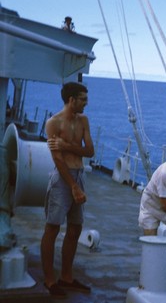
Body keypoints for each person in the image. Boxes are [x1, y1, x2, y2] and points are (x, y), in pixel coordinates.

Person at [41, 82, 94, 299]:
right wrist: (73, 187)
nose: (86, 102)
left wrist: (67, 146)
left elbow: (89, 151)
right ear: (71, 100)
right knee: (52, 228)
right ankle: (50, 280)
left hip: (79, 175)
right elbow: (57, 159)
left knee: (75, 228)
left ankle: (66, 276)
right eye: (82, 98)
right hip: (62, 179)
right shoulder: (53, 123)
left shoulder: (83, 121)